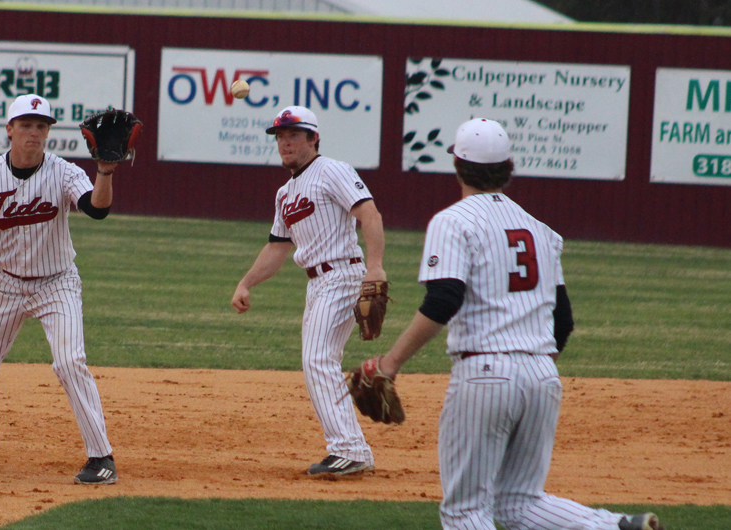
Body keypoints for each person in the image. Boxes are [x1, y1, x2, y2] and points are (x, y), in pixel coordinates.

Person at [368, 118, 665, 530]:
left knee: (465, 510)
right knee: (519, 504)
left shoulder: (453, 221)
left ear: (457, 165)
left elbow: (443, 300)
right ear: (508, 167)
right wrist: (530, 364)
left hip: (485, 374)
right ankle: (614, 527)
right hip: (543, 375)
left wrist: (390, 363)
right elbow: (563, 321)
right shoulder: (542, 231)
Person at [0, 94, 120, 485]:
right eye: (26, 125)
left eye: (41, 126)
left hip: (56, 282)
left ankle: (101, 457)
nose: (34, 133)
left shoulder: (63, 172)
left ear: (48, 133)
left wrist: (106, 173)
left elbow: (97, 209)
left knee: (68, 362)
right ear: (9, 129)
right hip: (6, 284)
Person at [231, 105, 388, 476]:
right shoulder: (286, 192)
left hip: (344, 275)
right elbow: (276, 248)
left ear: (313, 138)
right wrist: (246, 282)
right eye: (280, 137)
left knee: (317, 359)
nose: (285, 143)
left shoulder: (331, 170)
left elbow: (370, 214)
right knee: (320, 360)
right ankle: (351, 448)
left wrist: (376, 266)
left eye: (293, 135)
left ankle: (349, 449)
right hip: (318, 284)